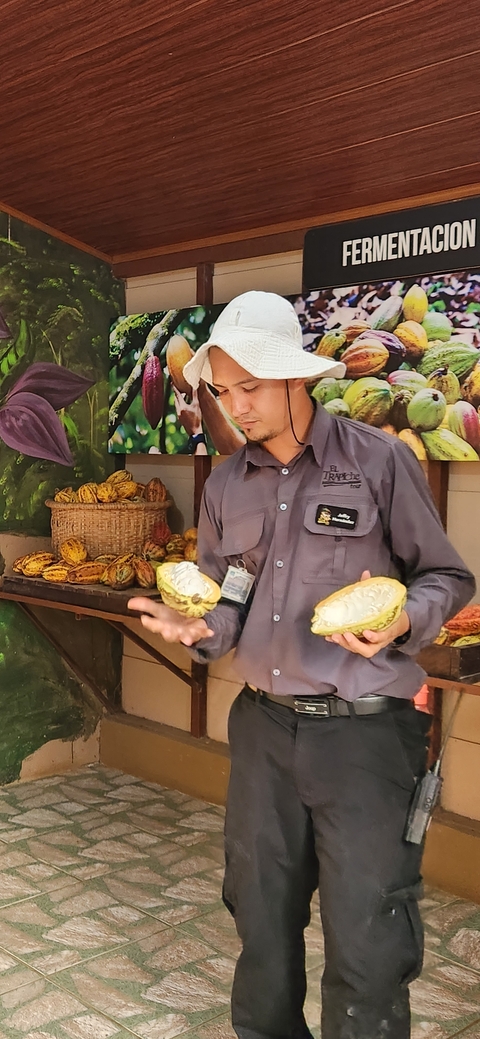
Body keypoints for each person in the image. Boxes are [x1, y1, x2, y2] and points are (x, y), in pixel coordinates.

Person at [128, 291, 475, 1039]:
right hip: (262, 733)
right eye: (222, 391)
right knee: (260, 922)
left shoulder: (379, 460)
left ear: (296, 380)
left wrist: (400, 623)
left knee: (369, 934)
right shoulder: (225, 485)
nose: (236, 407)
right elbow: (229, 607)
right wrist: (198, 628)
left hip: (365, 740)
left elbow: (448, 578)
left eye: (250, 388)